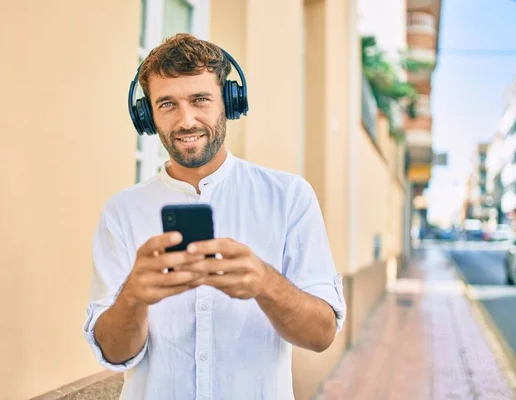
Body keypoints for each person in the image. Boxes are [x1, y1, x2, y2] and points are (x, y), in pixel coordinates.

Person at [83, 33, 346, 400]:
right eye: (167, 104)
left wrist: (264, 283)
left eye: (200, 100)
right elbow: (114, 353)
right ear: (147, 116)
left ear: (229, 102)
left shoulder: (289, 197)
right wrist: (134, 297)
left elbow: (321, 336)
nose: (186, 120)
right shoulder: (121, 213)